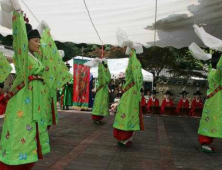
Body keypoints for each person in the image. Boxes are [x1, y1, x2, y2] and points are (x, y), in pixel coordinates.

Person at [0, 8, 50, 169]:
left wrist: (42, 31)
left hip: (34, 104)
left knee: (30, 139)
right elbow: (19, 38)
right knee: (20, 136)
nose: (39, 43)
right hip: (23, 103)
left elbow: (48, 52)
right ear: (26, 41)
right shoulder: (22, 57)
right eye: (36, 40)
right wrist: (18, 18)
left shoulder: (35, 57)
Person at [113, 48, 144, 147]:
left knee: (126, 114)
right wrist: (133, 53)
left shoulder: (131, 67)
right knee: (129, 115)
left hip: (129, 94)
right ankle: (125, 139)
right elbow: (138, 79)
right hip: (132, 95)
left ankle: (123, 139)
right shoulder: (136, 65)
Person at [198, 52, 222, 152]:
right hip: (216, 100)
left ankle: (204, 142)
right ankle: (205, 143)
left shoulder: (210, 71)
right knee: (213, 120)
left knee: (208, 120)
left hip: (210, 99)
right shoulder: (218, 73)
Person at [92, 60, 111, 124]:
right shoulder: (101, 72)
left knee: (101, 103)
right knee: (99, 103)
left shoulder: (105, 71)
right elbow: (103, 77)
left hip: (103, 90)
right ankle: (96, 119)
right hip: (101, 91)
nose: (106, 67)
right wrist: (100, 64)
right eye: (105, 65)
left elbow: (108, 78)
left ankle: (98, 118)